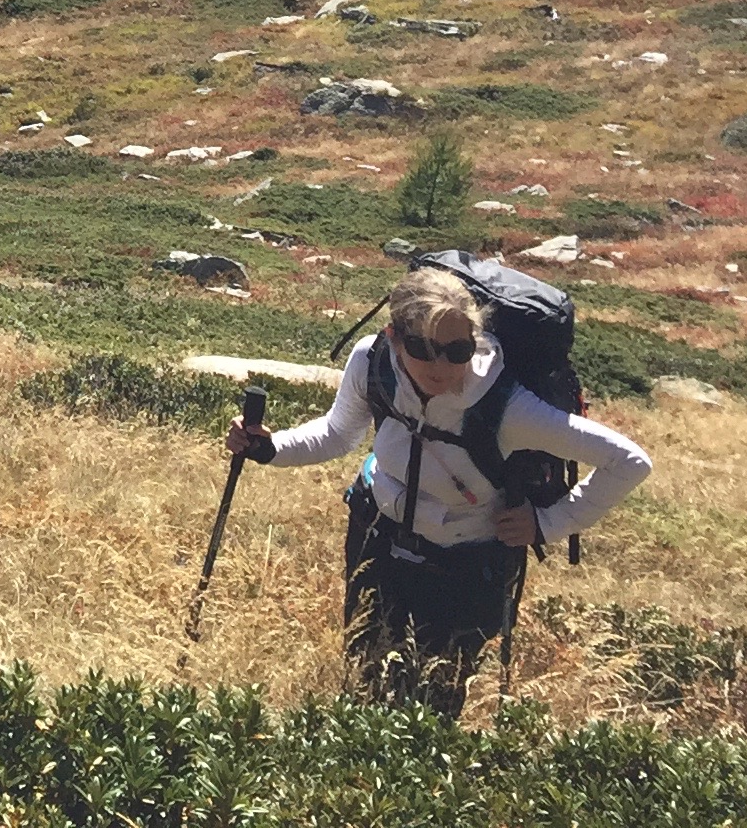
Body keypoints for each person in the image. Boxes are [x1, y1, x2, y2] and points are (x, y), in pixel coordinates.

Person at [228, 264, 650, 716]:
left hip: (464, 566)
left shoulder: (506, 406)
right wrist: (270, 448)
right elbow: (337, 434)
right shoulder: (373, 363)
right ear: (393, 337)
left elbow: (629, 461)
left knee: (434, 703)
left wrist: (548, 523)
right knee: (362, 676)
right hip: (376, 536)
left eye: (457, 351)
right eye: (423, 349)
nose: (441, 366)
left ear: (474, 341)